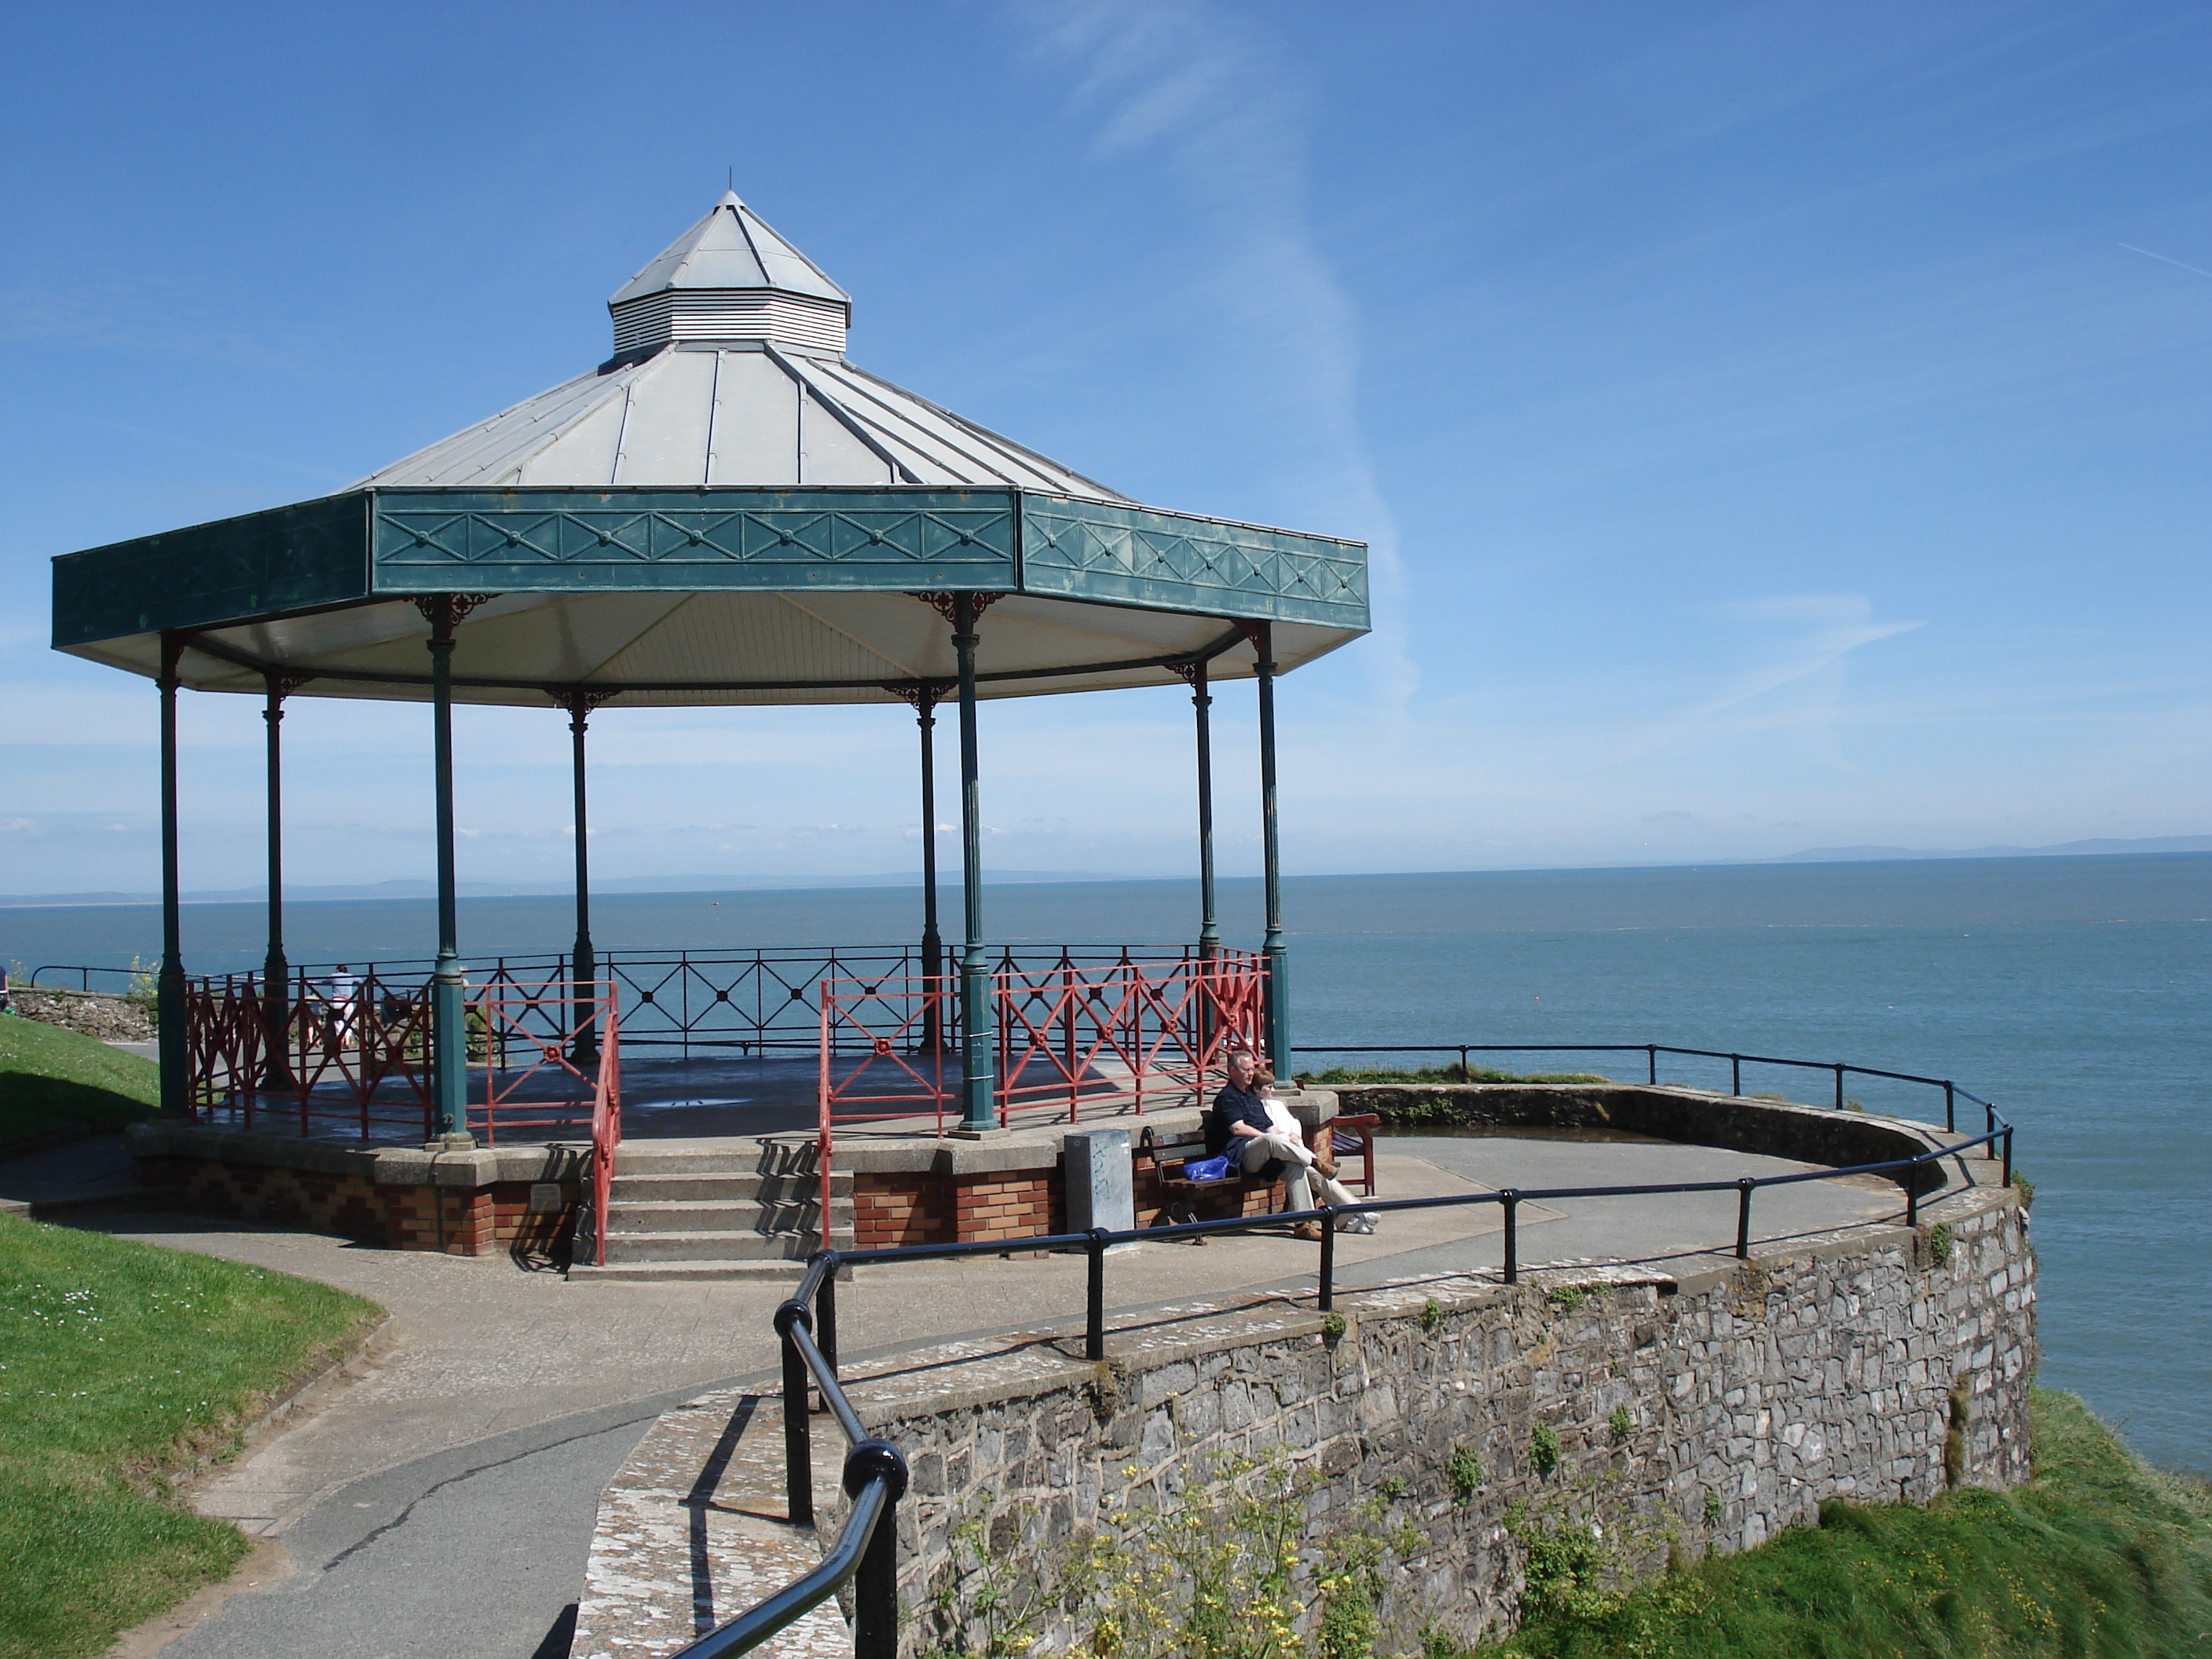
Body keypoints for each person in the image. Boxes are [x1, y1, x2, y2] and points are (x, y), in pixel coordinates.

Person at [1208, 1049, 1373, 1240]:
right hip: (1243, 1155)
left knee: (1301, 1169)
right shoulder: (1226, 1098)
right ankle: (1314, 1160)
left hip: (1269, 1156)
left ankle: (1343, 1215)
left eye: (1252, 1069)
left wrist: (1289, 1136)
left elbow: (1271, 1129)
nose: (1250, 1074)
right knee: (1271, 1141)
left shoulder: (1252, 1098)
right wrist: (1272, 1139)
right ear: (1232, 1071)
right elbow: (1238, 1129)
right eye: (1245, 1070)